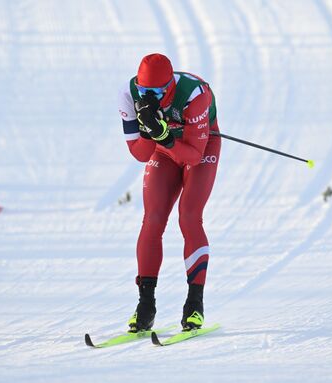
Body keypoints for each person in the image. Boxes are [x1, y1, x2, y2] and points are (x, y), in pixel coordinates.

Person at [117, 53, 221, 332]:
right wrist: (151, 133)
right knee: (152, 219)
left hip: (200, 146)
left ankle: (194, 305)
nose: (149, 96)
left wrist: (163, 134)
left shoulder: (194, 94)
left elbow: (194, 156)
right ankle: (145, 306)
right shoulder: (128, 94)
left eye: (157, 92)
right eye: (144, 91)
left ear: (170, 87)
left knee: (188, 216)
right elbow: (140, 154)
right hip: (165, 150)